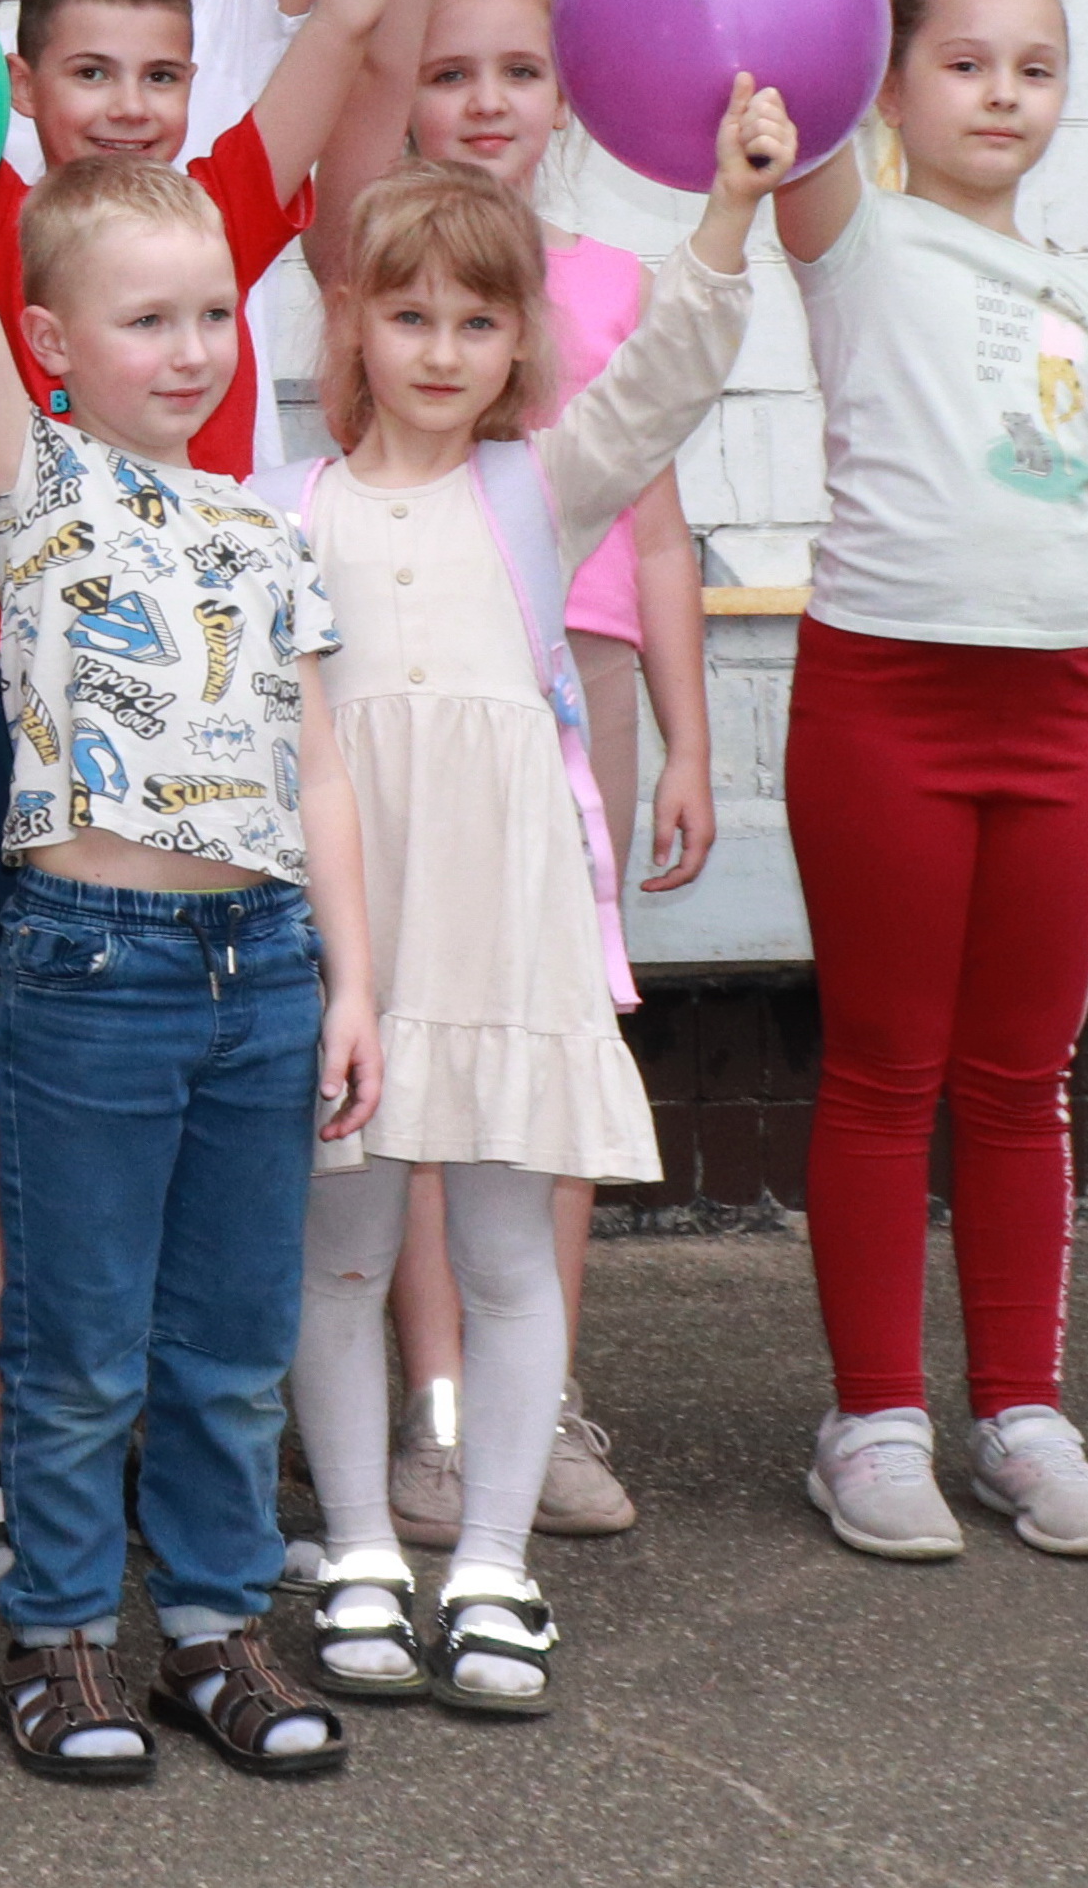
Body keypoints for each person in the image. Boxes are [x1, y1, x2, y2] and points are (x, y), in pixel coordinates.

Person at [0, 0, 404, 1592]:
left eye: (157, 75)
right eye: (86, 72)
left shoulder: (215, 207)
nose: (127, 104)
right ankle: (11, 1451)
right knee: (5, 1096)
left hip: (220, 748)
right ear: (23, 84)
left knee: (206, 1123)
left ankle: (178, 1480)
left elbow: (344, 19)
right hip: (10, 712)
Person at [276, 106, 783, 1716]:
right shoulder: (285, 508)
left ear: (518, 344)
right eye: (408, 313)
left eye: (476, 321)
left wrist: (726, 212)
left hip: (501, 920)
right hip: (355, 940)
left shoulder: (535, 489)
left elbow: (665, 379)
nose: (440, 350)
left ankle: (492, 1560)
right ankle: (359, 1544)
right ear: (351, 322)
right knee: (339, 1256)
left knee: (507, 1256)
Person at [774, 0, 1088, 1562]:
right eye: (960, 60)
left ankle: (1020, 1409)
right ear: (893, 86)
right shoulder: (855, 238)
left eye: (1034, 67)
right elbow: (798, 54)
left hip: (1057, 714)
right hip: (884, 693)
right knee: (884, 1066)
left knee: (1022, 1078)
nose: (1001, 92)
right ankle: (870, 1417)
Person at [0, 158, 378, 1788]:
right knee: (81, 1342)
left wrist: (352, 984)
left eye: (212, 313)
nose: (189, 349)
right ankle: (55, 1635)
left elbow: (320, 772)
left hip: (265, 966)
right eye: (145, 319)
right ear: (50, 341)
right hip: (91, 968)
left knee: (232, 1341)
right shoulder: (36, 487)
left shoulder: (265, 521)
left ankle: (209, 1628)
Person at [321, 0, 712, 1543]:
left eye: (517, 70)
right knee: (398, 1089)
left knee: (525, 1085)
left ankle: (523, 1426)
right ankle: (422, 1419)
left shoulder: (597, 314)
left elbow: (658, 503)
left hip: (556, 729)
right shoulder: (364, 282)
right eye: (447, 69)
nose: (482, 99)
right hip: (396, 754)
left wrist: (686, 735)